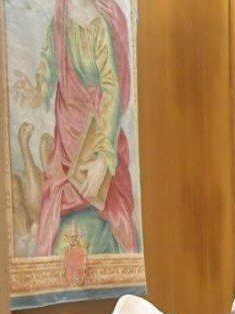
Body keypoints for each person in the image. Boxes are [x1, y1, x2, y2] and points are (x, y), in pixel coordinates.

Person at [12, 0, 140, 257]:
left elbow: (112, 89)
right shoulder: (59, 22)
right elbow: (47, 75)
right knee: (56, 208)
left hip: (97, 130)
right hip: (67, 131)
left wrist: (104, 158)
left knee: (107, 210)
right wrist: (35, 92)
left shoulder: (99, 23)